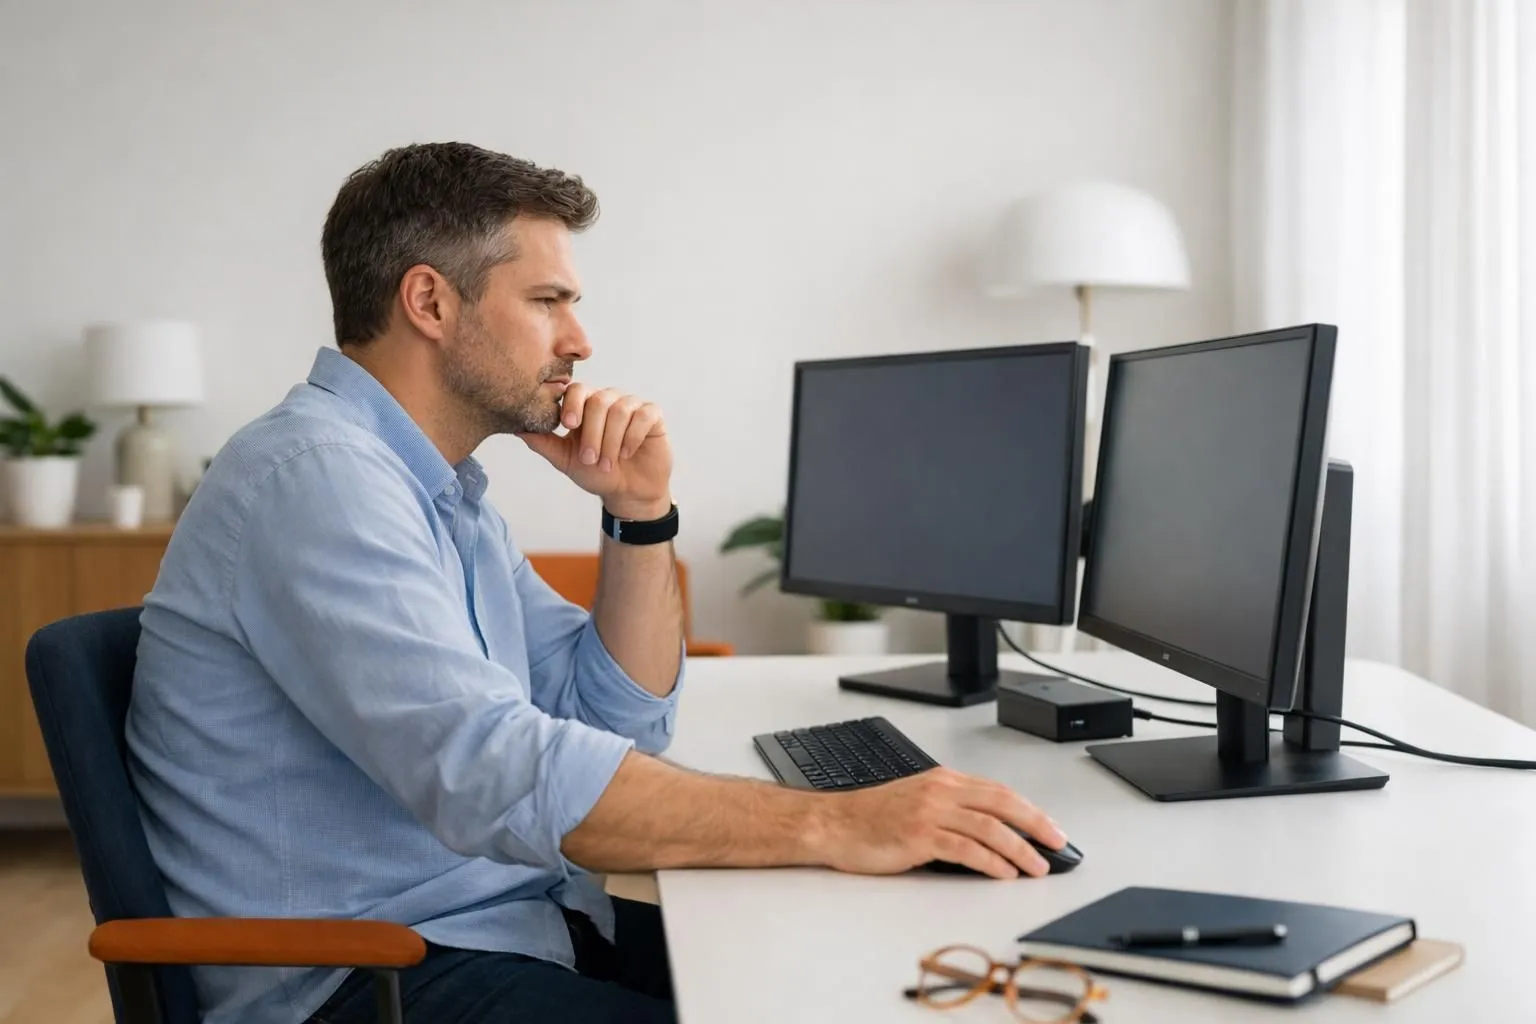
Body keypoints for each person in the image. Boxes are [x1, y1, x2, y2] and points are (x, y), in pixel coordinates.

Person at [125, 141, 1071, 1024]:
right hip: (374, 979)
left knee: (855, 975)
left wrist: (639, 512)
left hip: (499, 926)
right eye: (547, 300)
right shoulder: (314, 479)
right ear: (430, 302)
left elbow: (614, 724)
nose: (579, 339)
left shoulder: (440, 492)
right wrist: (834, 821)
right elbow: (491, 775)